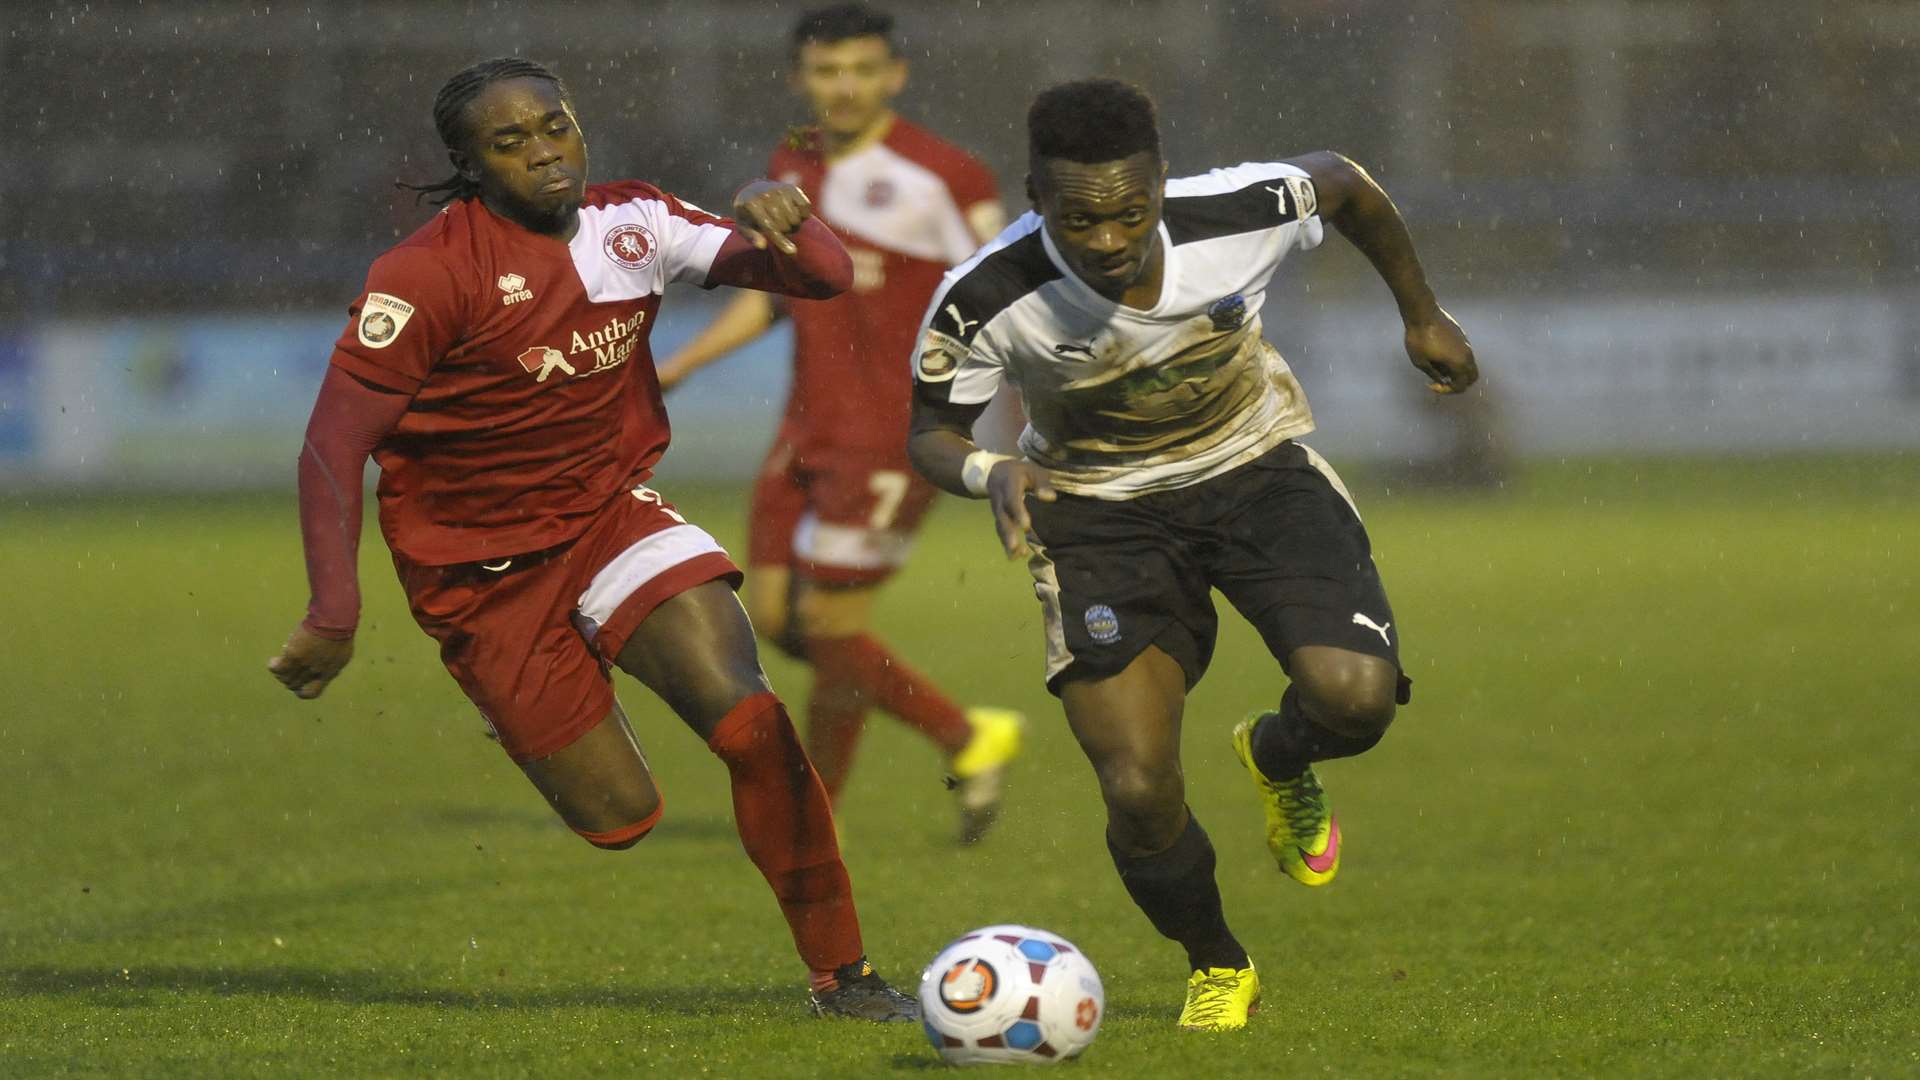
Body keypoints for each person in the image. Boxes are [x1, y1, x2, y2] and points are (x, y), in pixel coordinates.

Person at [266, 57, 920, 1022]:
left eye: (555, 127)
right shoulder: (427, 273)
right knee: (620, 819)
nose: (545, 153)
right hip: (479, 571)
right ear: (471, 163)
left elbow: (820, 275)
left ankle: (846, 978)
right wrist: (334, 609)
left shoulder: (636, 223)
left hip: (610, 516)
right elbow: (334, 442)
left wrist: (785, 208)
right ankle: (519, 688)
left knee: (751, 723)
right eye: (510, 142)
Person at [905, 79, 1479, 1031]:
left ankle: (1278, 752)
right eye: (1078, 217)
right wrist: (987, 471)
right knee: (1134, 783)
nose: (1107, 238)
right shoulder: (985, 295)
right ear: (1035, 196)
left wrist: (1421, 312)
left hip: (1257, 475)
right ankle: (1217, 962)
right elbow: (931, 430)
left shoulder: (1235, 211)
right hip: (1097, 516)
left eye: (1130, 211)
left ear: (1163, 183)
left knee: (1355, 701)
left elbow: (1345, 185)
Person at [655, 3, 1021, 844]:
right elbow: (768, 302)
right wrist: (678, 367)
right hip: (805, 428)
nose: (844, 87)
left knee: (829, 629)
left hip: (896, 434)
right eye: (827, 71)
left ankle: (813, 812)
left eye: (862, 70)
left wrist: (1023, 425)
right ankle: (967, 736)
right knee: (779, 621)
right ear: (800, 79)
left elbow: (1010, 292)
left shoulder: (947, 177)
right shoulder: (793, 164)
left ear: (895, 75)